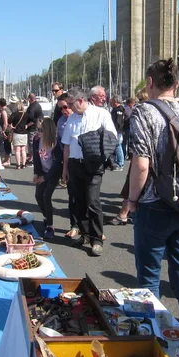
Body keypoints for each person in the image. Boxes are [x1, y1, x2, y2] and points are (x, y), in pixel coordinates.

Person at [128, 58, 179, 341]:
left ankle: (152, 336)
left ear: (149, 83)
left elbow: (141, 164)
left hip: (154, 202)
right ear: (177, 84)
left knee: (148, 278)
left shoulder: (143, 112)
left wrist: (132, 200)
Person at [61, 87, 117, 256]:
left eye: (70, 104)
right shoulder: (72, 118)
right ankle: (85, 235)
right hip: (75, 164)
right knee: (79, 202)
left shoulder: (101, 114)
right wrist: (65, 168)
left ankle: (97, 238)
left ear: (80, 100)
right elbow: (66, 146)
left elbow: (112, 138)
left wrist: (98, 150)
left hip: (93, 165)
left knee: (93, 202)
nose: (68, 108)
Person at [33, 118, 61, 240]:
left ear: (47, 130)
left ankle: (50, 226)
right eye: (37, 129)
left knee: (46, 197)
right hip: (43, 171)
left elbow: (56, 166)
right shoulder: (37, 140)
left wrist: (45, 178)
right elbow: (36, 158)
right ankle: (46, 217)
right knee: (38, 195)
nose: (38, 132)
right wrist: (36, 173)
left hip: (52, 174)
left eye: (40, 130)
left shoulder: (55, 144)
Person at [55, 93, 79, 238]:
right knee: (72, 196)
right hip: (68, 161)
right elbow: (61, 144)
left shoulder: (81, 118)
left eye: (65, 106)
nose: (64, 110)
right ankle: (74, 225)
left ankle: (93, 230)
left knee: (89, 198)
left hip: (84, 162)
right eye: (61, 109)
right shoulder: (61, 122)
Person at [8, 101, 28, 168]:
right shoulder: (25, 114)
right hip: (24, 134)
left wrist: (11, 126)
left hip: (17, 133)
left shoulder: (14, 114)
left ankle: (18, 165)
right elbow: (33, 120)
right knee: (23, 150)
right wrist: (27, 125)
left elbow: (9, 120)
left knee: (17, 150)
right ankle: (24, 164)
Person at [25, 93, 43, 165]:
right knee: (32, 143)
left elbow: (33, 120)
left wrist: (27, 125)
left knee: (32, 143)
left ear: (30, 99)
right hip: (36, 127)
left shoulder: (32, 107)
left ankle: (32, 158)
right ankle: (31, 156)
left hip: (33, 128)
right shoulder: (37, 105)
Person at [109, 96, 126, 171]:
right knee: (116, 146)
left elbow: (119, 121)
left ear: (115, 101)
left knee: (118, 146)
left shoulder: (119, 110)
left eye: (112, 101)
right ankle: (117, 162)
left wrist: (118, 130)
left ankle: (120, 164)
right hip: (116, 130)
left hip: (117, 131)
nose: (111, 103)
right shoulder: (116, 109)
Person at [0, 98, 11, 165]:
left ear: (0, 104)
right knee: (7, 144)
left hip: (6, 130)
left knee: (6, 145)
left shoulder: (3, 111)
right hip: (9, 129)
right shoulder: (8, 109)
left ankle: (7, 160)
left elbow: (5, 122)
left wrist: (3, 131)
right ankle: (7, 159)